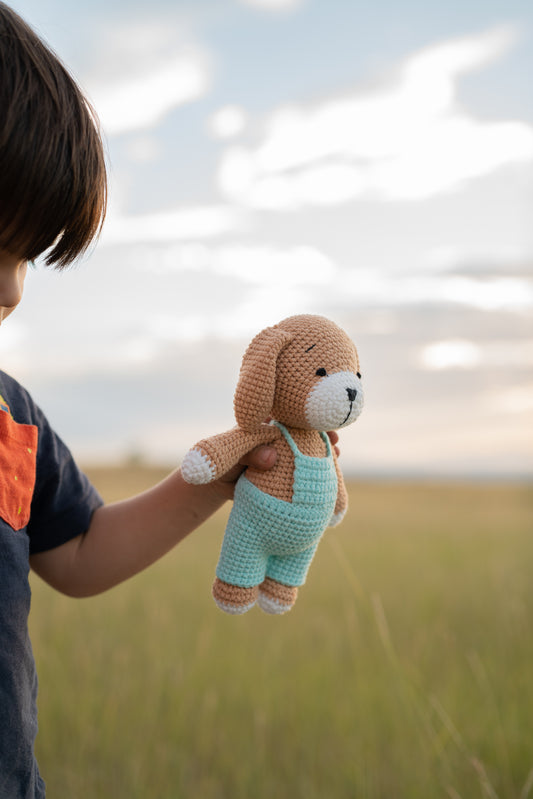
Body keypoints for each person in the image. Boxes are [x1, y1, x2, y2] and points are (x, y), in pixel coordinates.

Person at [0, 3, 340, 796]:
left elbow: (79, 551)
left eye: (24, 256)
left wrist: (226, 473)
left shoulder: (12, 421)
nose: (12, 289)